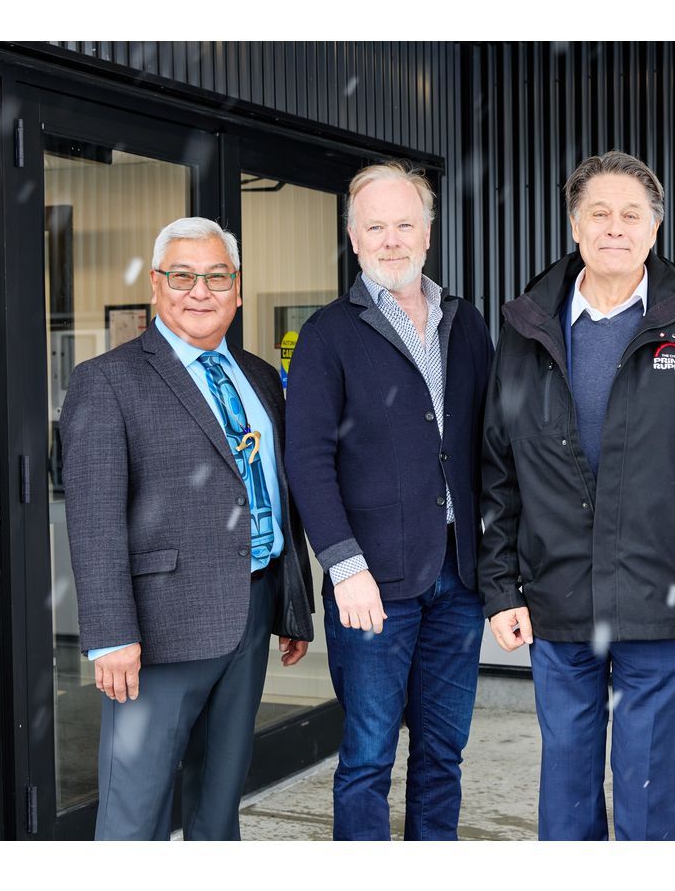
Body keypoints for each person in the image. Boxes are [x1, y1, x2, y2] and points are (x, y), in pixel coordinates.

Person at [479, 151, 675, 841]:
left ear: (655, 228)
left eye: (630, 214)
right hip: (558, 593)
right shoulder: (525, 329)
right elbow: (497, 467)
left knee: (645, 786)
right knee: (567, 788)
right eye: (599, 213)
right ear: (574, 224)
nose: (615, 227)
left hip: (661, 593)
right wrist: (500, 587)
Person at [60, 216, 314, 840]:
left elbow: (278, 491)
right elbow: (93, 522)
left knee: (218, 805)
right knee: (134, 814)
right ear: (156, 284)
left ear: (236, 288)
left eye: (216, 277)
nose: (199, 291)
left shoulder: (259, 377)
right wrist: (111, 635)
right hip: (157, 631)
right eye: (182, 276)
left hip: (250, 614)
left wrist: (291, 604)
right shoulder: (106, 381)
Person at [285, 162, 493, 841]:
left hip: (459, 580)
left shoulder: (466, 324)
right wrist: (345, 567)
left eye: (406, 224)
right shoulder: (327, 334)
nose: (392, 239)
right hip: (371, 587)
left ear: (429, 233)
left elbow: (490, 447)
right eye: (376, 226)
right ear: (353, 237)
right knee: (368, 758)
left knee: (442, 753)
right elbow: (308, 461)